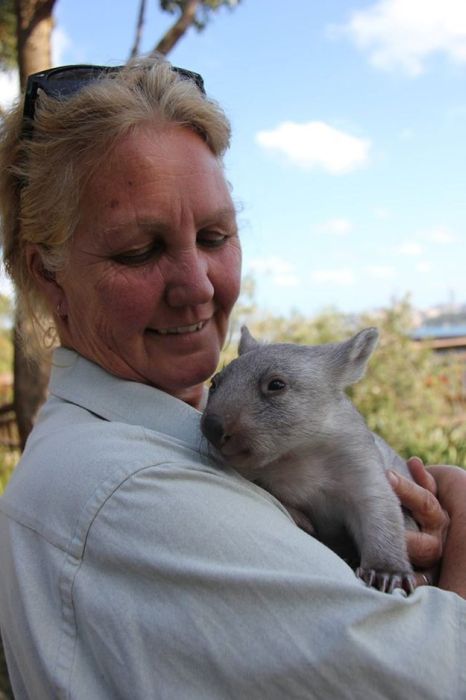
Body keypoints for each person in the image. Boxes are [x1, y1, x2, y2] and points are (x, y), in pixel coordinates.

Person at [0, 55, 464, 700]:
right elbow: (436, 676)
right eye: (139, 250)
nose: (198, 287)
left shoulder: (150, 437)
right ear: (49, 275)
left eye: (215, 236)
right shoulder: (138, 492)